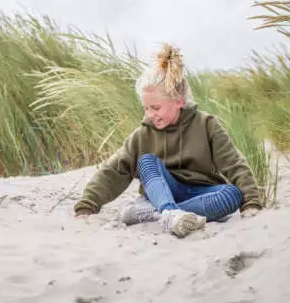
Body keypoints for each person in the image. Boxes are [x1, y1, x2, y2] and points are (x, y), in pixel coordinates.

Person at [74, 44, 262, 237]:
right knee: (147, 161)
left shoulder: (206, 124)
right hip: (160, 191)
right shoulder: (143, 134)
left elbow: (234, 163)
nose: (150, 114)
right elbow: (112, 170)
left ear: (178, 101)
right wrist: (87, 205)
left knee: (231, 195)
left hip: (201, 192)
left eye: (156, 108)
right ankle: (169, 212)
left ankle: (156, 213)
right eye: (146, 108)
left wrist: (251, 202)